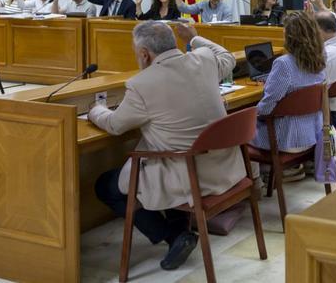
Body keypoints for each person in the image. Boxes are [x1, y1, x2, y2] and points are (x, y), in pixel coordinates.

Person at [90, 21, 244, 271]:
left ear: (144, 53)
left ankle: (172, 236)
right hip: (225, 167)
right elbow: (226, 56)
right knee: (166, 157)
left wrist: (96, 110)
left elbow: (116, 125)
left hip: (187, 175)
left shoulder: (142, 84)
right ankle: (178, 233)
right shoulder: (204, 60)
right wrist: (194, 38)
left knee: (106, 185)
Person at [252, 11, 326, 155]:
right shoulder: (320, 58)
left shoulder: (283, 64)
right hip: (312, 134)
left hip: (286, 139)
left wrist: (251, 114)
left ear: (289, 37)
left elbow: (267, 107)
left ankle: (262, 173)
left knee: (236, 128)